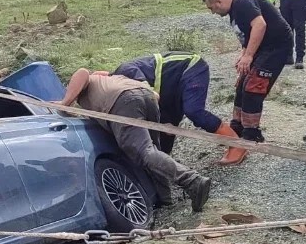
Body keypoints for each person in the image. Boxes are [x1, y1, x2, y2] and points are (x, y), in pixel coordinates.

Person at [57, 70, 213, 211]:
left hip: (122, 102)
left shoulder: (90, 80)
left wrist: (64, 103)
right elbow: (155, 95)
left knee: (143, 152)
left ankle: (193, 181)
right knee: (153, 152)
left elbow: (82, 72)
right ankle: (166, 201)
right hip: (147, 96)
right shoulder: (114, 80)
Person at [203, 0, 293, 152]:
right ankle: (237, 129)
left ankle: (251, 134)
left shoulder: (243, 2)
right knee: (242, 84)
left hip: (276, 47)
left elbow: (260, 25)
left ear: (218, 1)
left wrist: (249, 56)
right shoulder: (234, 9)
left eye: (212, 8)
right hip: (263, 47)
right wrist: (243, 55)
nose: (213, 13)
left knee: (254, 87)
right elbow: (247, 33)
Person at [112, 53, 243, 164]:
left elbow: (151, 96)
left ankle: (237, 144)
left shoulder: (124, 71)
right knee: (165, 129)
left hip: (191, 68)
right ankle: (163, 165)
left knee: (194, 111)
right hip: (170, 89)